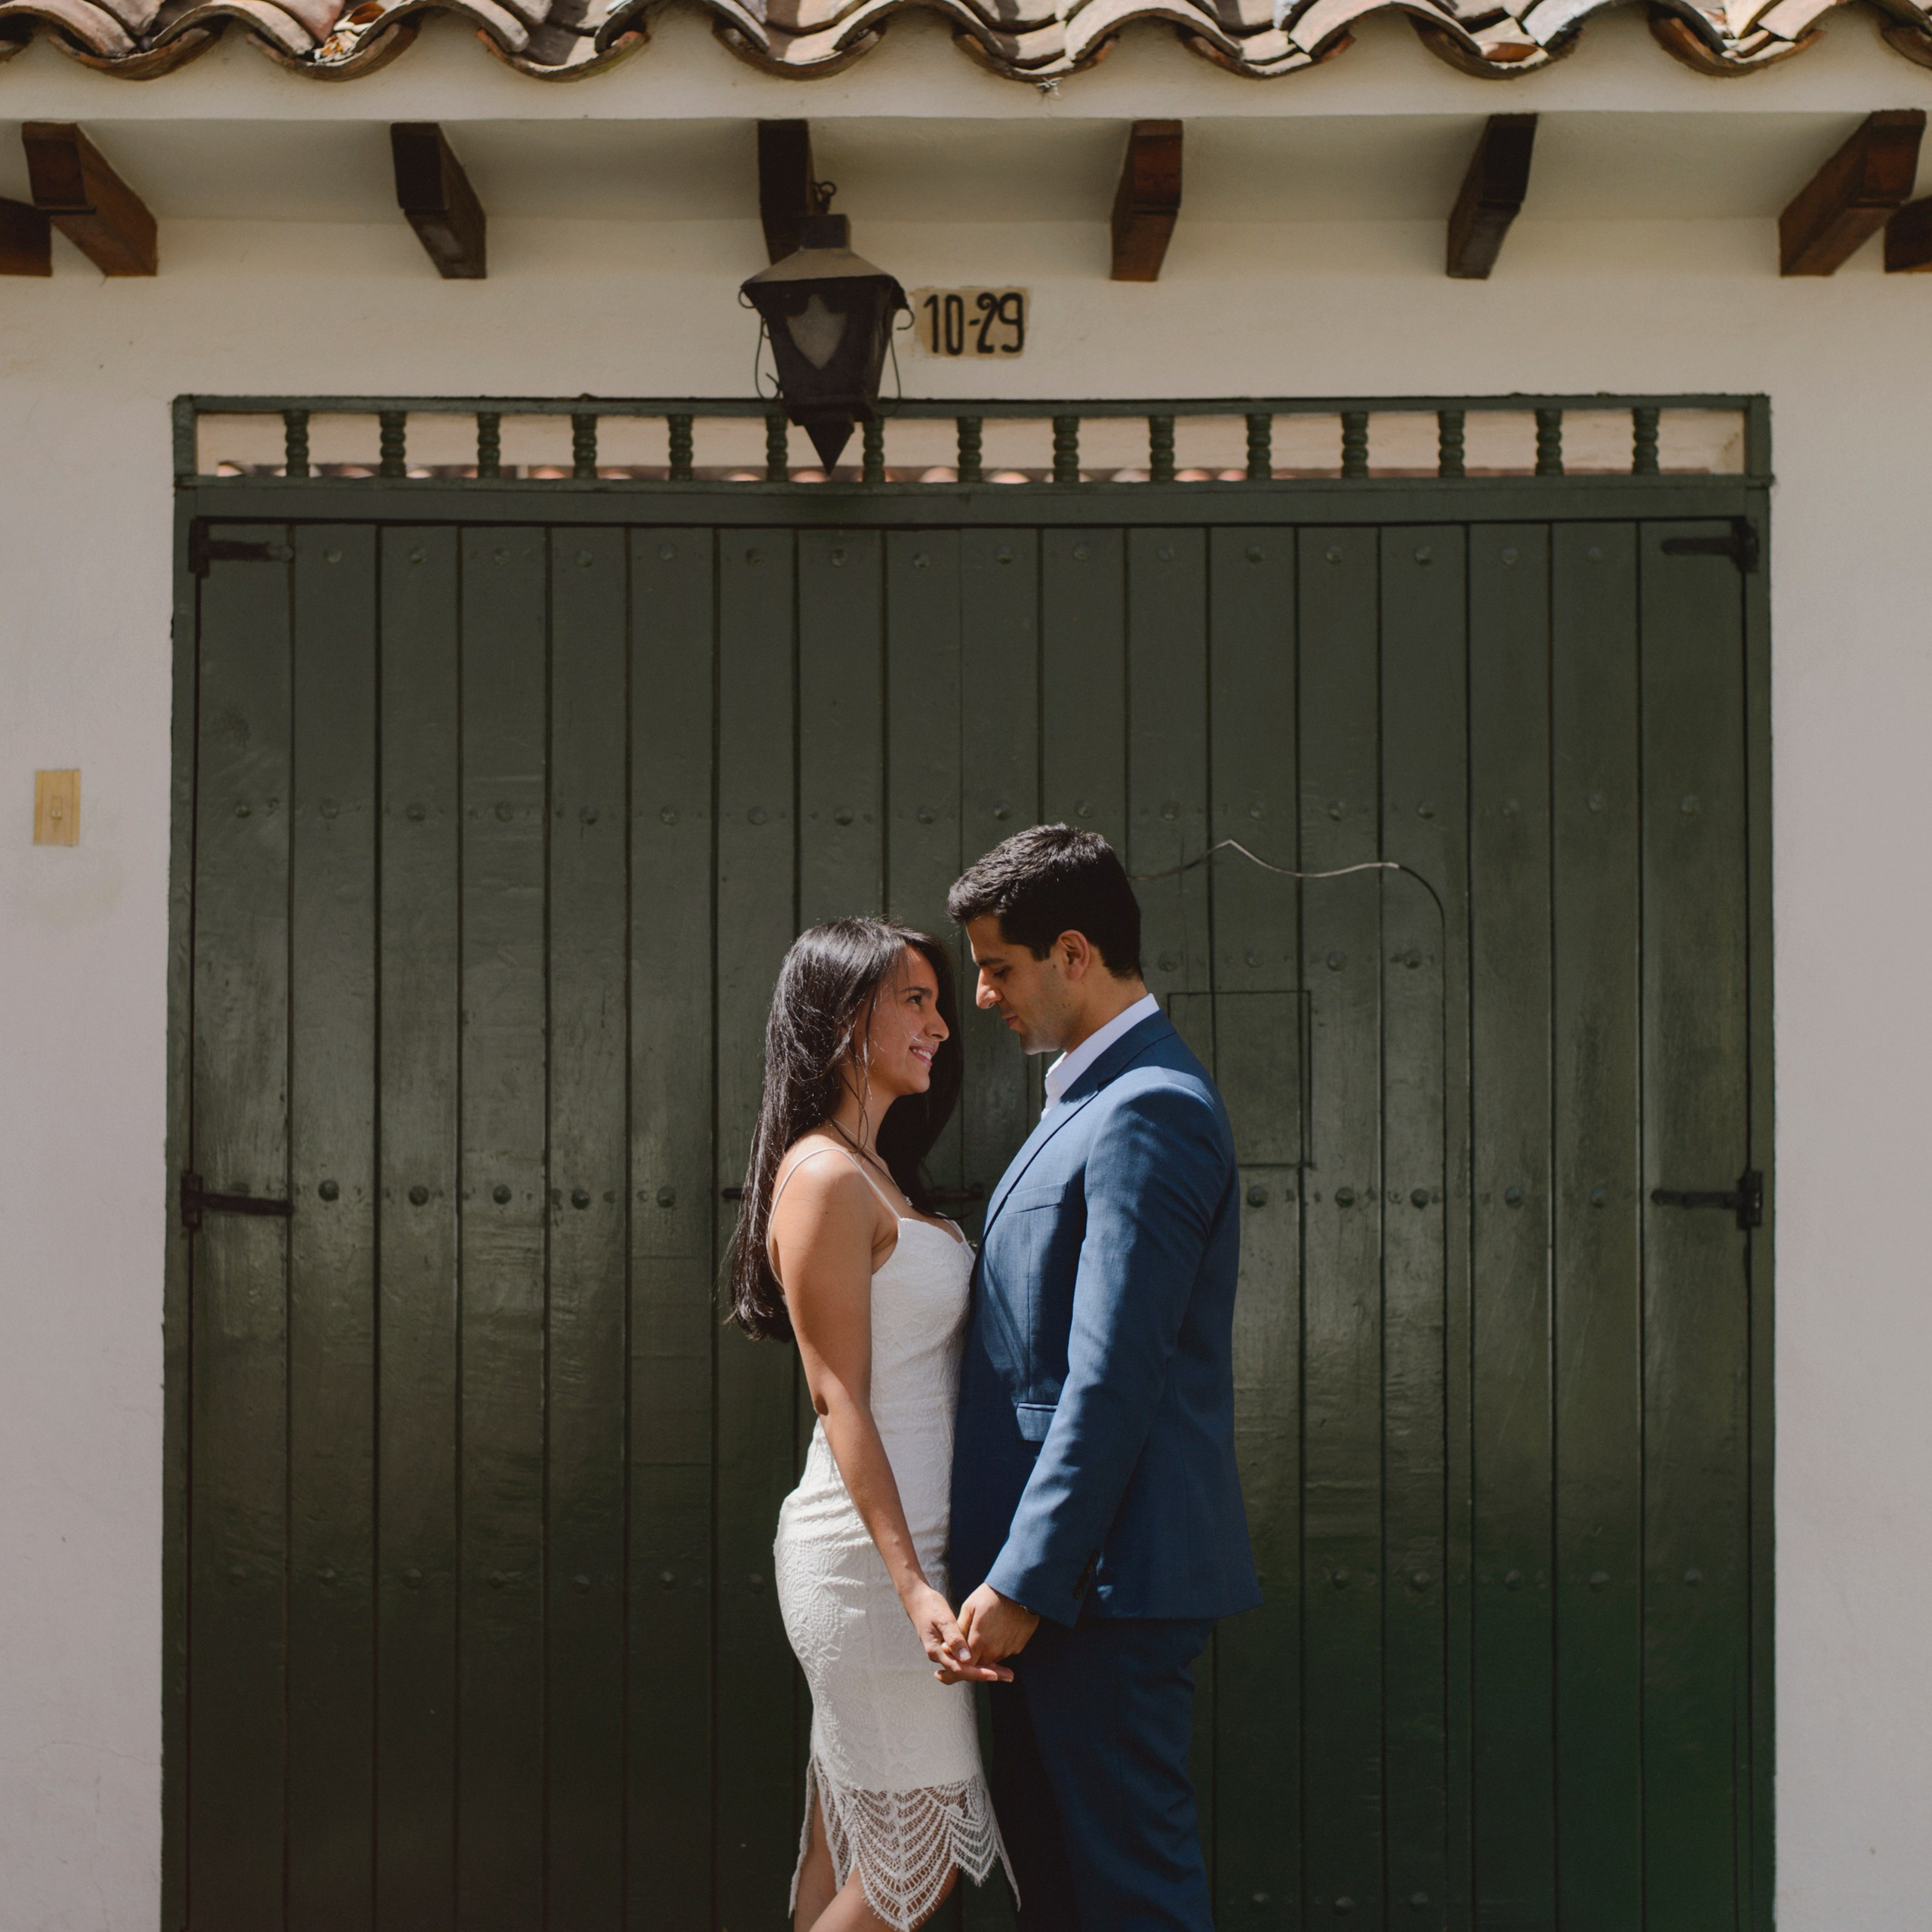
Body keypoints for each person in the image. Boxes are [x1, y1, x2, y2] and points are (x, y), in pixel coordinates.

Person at [943, 824, 1260, 1932]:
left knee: (1129, 1903)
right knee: (1068, 1903)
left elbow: (1113, 1378)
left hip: (1098, 1595)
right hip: (1067, 1594)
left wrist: (1028, 1581)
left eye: (997, 968)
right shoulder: (1089, 1099)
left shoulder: (1149, 1110)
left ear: (1073, 952)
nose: (983, 997)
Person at [727, 917, 1017, 1932]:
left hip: (908, 1553)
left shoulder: (876, 1170)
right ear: (845, 1018)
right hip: (872, 1564)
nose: (943, 1022)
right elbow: (838, 1395)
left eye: (940, 1000)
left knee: (838, 1841)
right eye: (916, 999)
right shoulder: (823, 1177)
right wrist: (914, 1586)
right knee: (917, 1863)